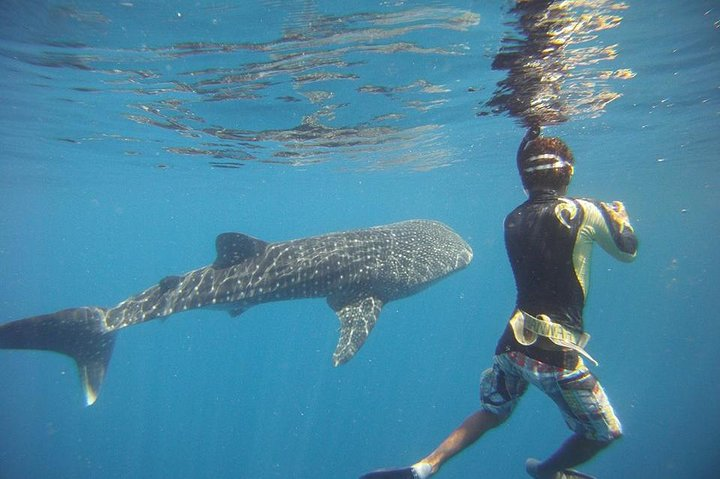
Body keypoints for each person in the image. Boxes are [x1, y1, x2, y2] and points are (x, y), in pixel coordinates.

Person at [360, 127, 638, 479]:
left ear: (524, 180)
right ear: (568, 173)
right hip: (557, 352)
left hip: (513, 344)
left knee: (492, 412)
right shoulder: (584, 211)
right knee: (604, 432)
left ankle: (424, 467)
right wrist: (622, 222)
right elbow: (628, 252)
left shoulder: (514, 218)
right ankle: (547, 471)